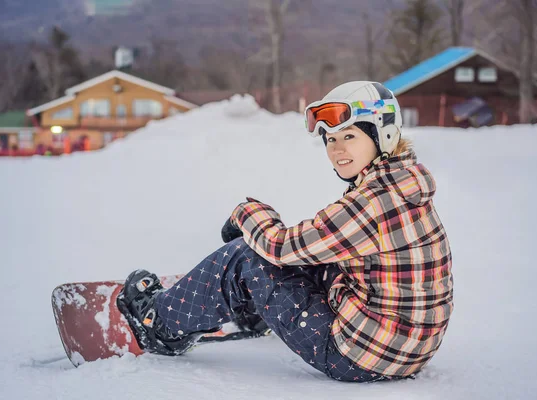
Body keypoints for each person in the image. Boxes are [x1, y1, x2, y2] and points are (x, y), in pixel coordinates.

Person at [117, 81, 454, 382]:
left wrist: (247, 214)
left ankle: (159, 324)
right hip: (404, 348)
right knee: (304, 254)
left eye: (349, 136)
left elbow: (281, 247)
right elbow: (316, 245)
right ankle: (254, 308)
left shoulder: (376, 200)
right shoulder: (401, 184)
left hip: (360, 356)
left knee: (250, 256)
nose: (336, 150)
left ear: (384, 135)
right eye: (331, 139)